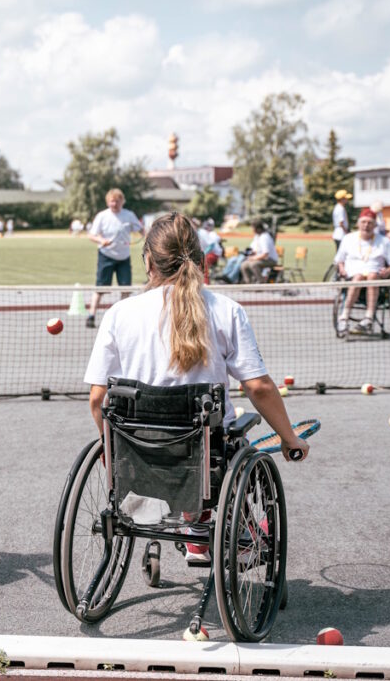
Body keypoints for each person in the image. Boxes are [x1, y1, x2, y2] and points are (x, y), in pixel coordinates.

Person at [83, 212, 309, 564]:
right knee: (232, 441)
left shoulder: (119, 313)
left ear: (148, 261)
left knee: (199, 442)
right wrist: (289, 437)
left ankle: (195, 530)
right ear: (202, 261)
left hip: (139, 447)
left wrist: (109, 446)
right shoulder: (227, 311)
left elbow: (98, 399)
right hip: (204, 449)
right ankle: (218, 529)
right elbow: (259, 387)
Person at [334, 208, 390, 334]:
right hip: (353, 274)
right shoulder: (348, 238)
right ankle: (344, 317)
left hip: (375, 275)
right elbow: (339, 260)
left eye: (370, 223)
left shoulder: (384, 241)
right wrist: (342, 269)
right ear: (358, 223)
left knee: (372, 276)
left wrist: (388, 271)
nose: (366, 225)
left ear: (375, 225)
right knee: (358, 277)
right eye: (363, 222)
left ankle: (369, 318)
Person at [86, 188, 144, 328]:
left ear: (122, 201)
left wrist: (147, 236)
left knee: (125, 288)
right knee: (100, 287)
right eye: (112, 201)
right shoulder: (102, 216)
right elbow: (91, 235)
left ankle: (123, 317)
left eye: (117, 201)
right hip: (106, 256)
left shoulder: (129, 215)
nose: (114, 204)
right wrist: (101, 240)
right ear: (108, 202)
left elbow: (141, 230)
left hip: (124, 257)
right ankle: (91, 316)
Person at [196, 218, 223, 284]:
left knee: (203, 262)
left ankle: (206, 283)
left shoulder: (203, 232)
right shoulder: (201, 232)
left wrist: (204, 254)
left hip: (213, 253)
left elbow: (211, 245)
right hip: (210, 253)